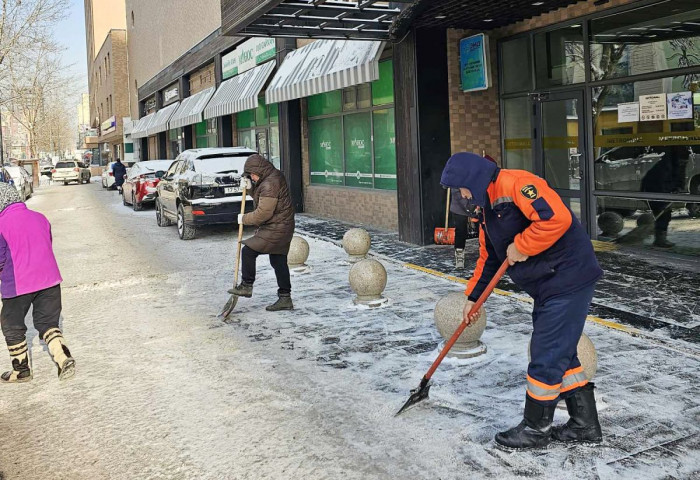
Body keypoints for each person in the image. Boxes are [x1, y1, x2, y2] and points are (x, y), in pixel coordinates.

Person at [440, 152, 603, 450]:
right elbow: (490, 258)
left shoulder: (517, 184)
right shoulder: (487, 208)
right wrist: (473, 298)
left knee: (547, 351)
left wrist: (522, 246)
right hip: (547, 284)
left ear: (474, 180)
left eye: (462, 189)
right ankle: (584, 424)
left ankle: (535, 428)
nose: (462, 196)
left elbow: (556, 219)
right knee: (561, 353)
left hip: (567, 278)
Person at [0, 183, 75, 382]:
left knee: (12, 325)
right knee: (48, 323)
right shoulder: (40, 217)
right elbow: (47, 242)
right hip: (50, 280)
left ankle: (21, 370)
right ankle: (63, 357)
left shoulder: (1, 224)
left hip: (18, 283)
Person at [228, 154, 295, 311]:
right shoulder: (270, 177)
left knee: (248, 251)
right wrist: (250, 188)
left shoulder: (270, 183)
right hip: (282, 225)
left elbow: (263, 213)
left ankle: (247, 285)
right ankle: (285, 298)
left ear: (258, 170)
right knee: (278, 261)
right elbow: (262, 195)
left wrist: (244, 219)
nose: (252, 178)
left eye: (251, 175)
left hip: (277, 227)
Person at [450, 188, 479, 269]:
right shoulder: (457, 176)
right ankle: (459, 254)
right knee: (460, 230)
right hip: (459, 202)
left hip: (478, 201)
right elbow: (451, 182)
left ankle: (485, 256)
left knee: (482, 230)